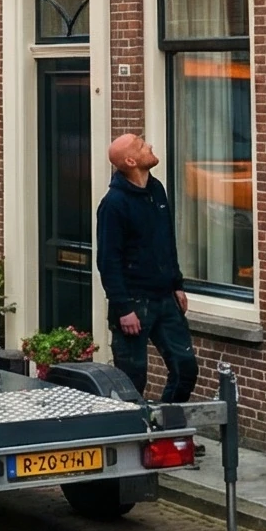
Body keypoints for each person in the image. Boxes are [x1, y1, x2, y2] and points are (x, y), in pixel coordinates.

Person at [95, 130, 198, 405]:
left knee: (185, 368)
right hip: (134, 303)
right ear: (130, 161)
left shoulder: (156, 190)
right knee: (132, 379)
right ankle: (136, 436)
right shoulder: (113, 205)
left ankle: (169, 429)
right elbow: (108, 261)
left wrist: (177, 284)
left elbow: (166, 241)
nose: (149, 145)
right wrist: (123, 308)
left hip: (165, 298)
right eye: (141, 145)